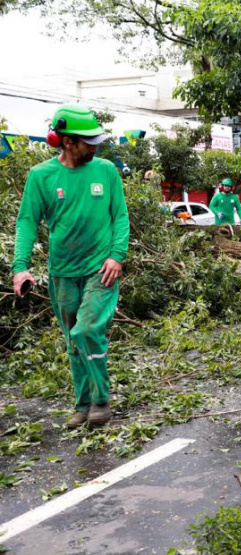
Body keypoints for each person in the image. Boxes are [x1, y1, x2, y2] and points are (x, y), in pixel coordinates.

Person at [12, 105, 129, 428]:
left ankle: (101, 400)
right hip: (62, 273)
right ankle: (83, 404)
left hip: (100, 269)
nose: (95, 147)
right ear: (66, 141)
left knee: (87, 329)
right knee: (73, 342)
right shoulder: (41, 176)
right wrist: (20, 267)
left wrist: (117, 255)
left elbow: (119, 216)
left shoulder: (106, 171)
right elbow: (26, 221)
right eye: (88, 141)